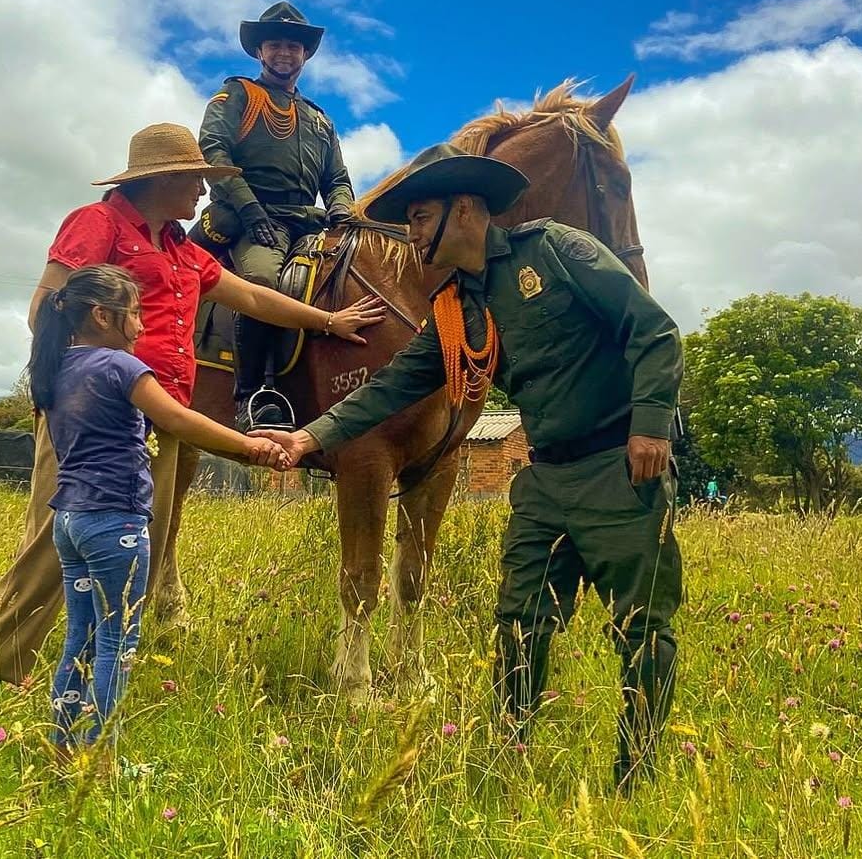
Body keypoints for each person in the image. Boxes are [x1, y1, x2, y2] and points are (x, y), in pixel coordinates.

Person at [256, 144, 684, 792]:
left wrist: (650, 425)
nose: (412, 231)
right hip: (546, 477)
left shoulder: (557, 250)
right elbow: (392, 385)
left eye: (422, 216)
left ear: (465, 210)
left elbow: (653, 331)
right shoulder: (457, 307)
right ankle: (509, 754)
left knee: (641, 626)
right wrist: (308, 435)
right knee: (518, 621)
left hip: (617, 464)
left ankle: (638, 773)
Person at [0, 123, 384, 717]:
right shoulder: (97, 225)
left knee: (140, 558)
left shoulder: (178, 246)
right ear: (165, 179)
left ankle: (85, 697)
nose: (205, 192)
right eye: (197, 179)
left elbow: (250, 297)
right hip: (98, 418)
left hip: (164, 419)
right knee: (52, 552)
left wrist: (327, 323)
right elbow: (43, 307)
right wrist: (88, 378)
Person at [28, 265, 287, 752]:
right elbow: (178, 419)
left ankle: (62, 745)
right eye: (135, 313)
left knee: (79, 638)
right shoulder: (121, 368)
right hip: (115, 522)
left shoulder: (56, 368)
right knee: (116, 645)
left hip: (69, 520)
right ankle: (99, 758)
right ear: (103, 316)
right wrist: (251, 447)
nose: (142, 326)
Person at [195, 2, 356, 432]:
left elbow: (338, 178)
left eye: (293, 46)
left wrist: (341, 208)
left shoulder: (320, 120)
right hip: (253, 219)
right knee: (262, 282)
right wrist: (249, 209)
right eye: (276, 44)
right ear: (260, 52)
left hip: (309, 224)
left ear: (305, 54)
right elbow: (213, 152)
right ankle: (251, 396)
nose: (285, 52)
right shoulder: (238, 96)